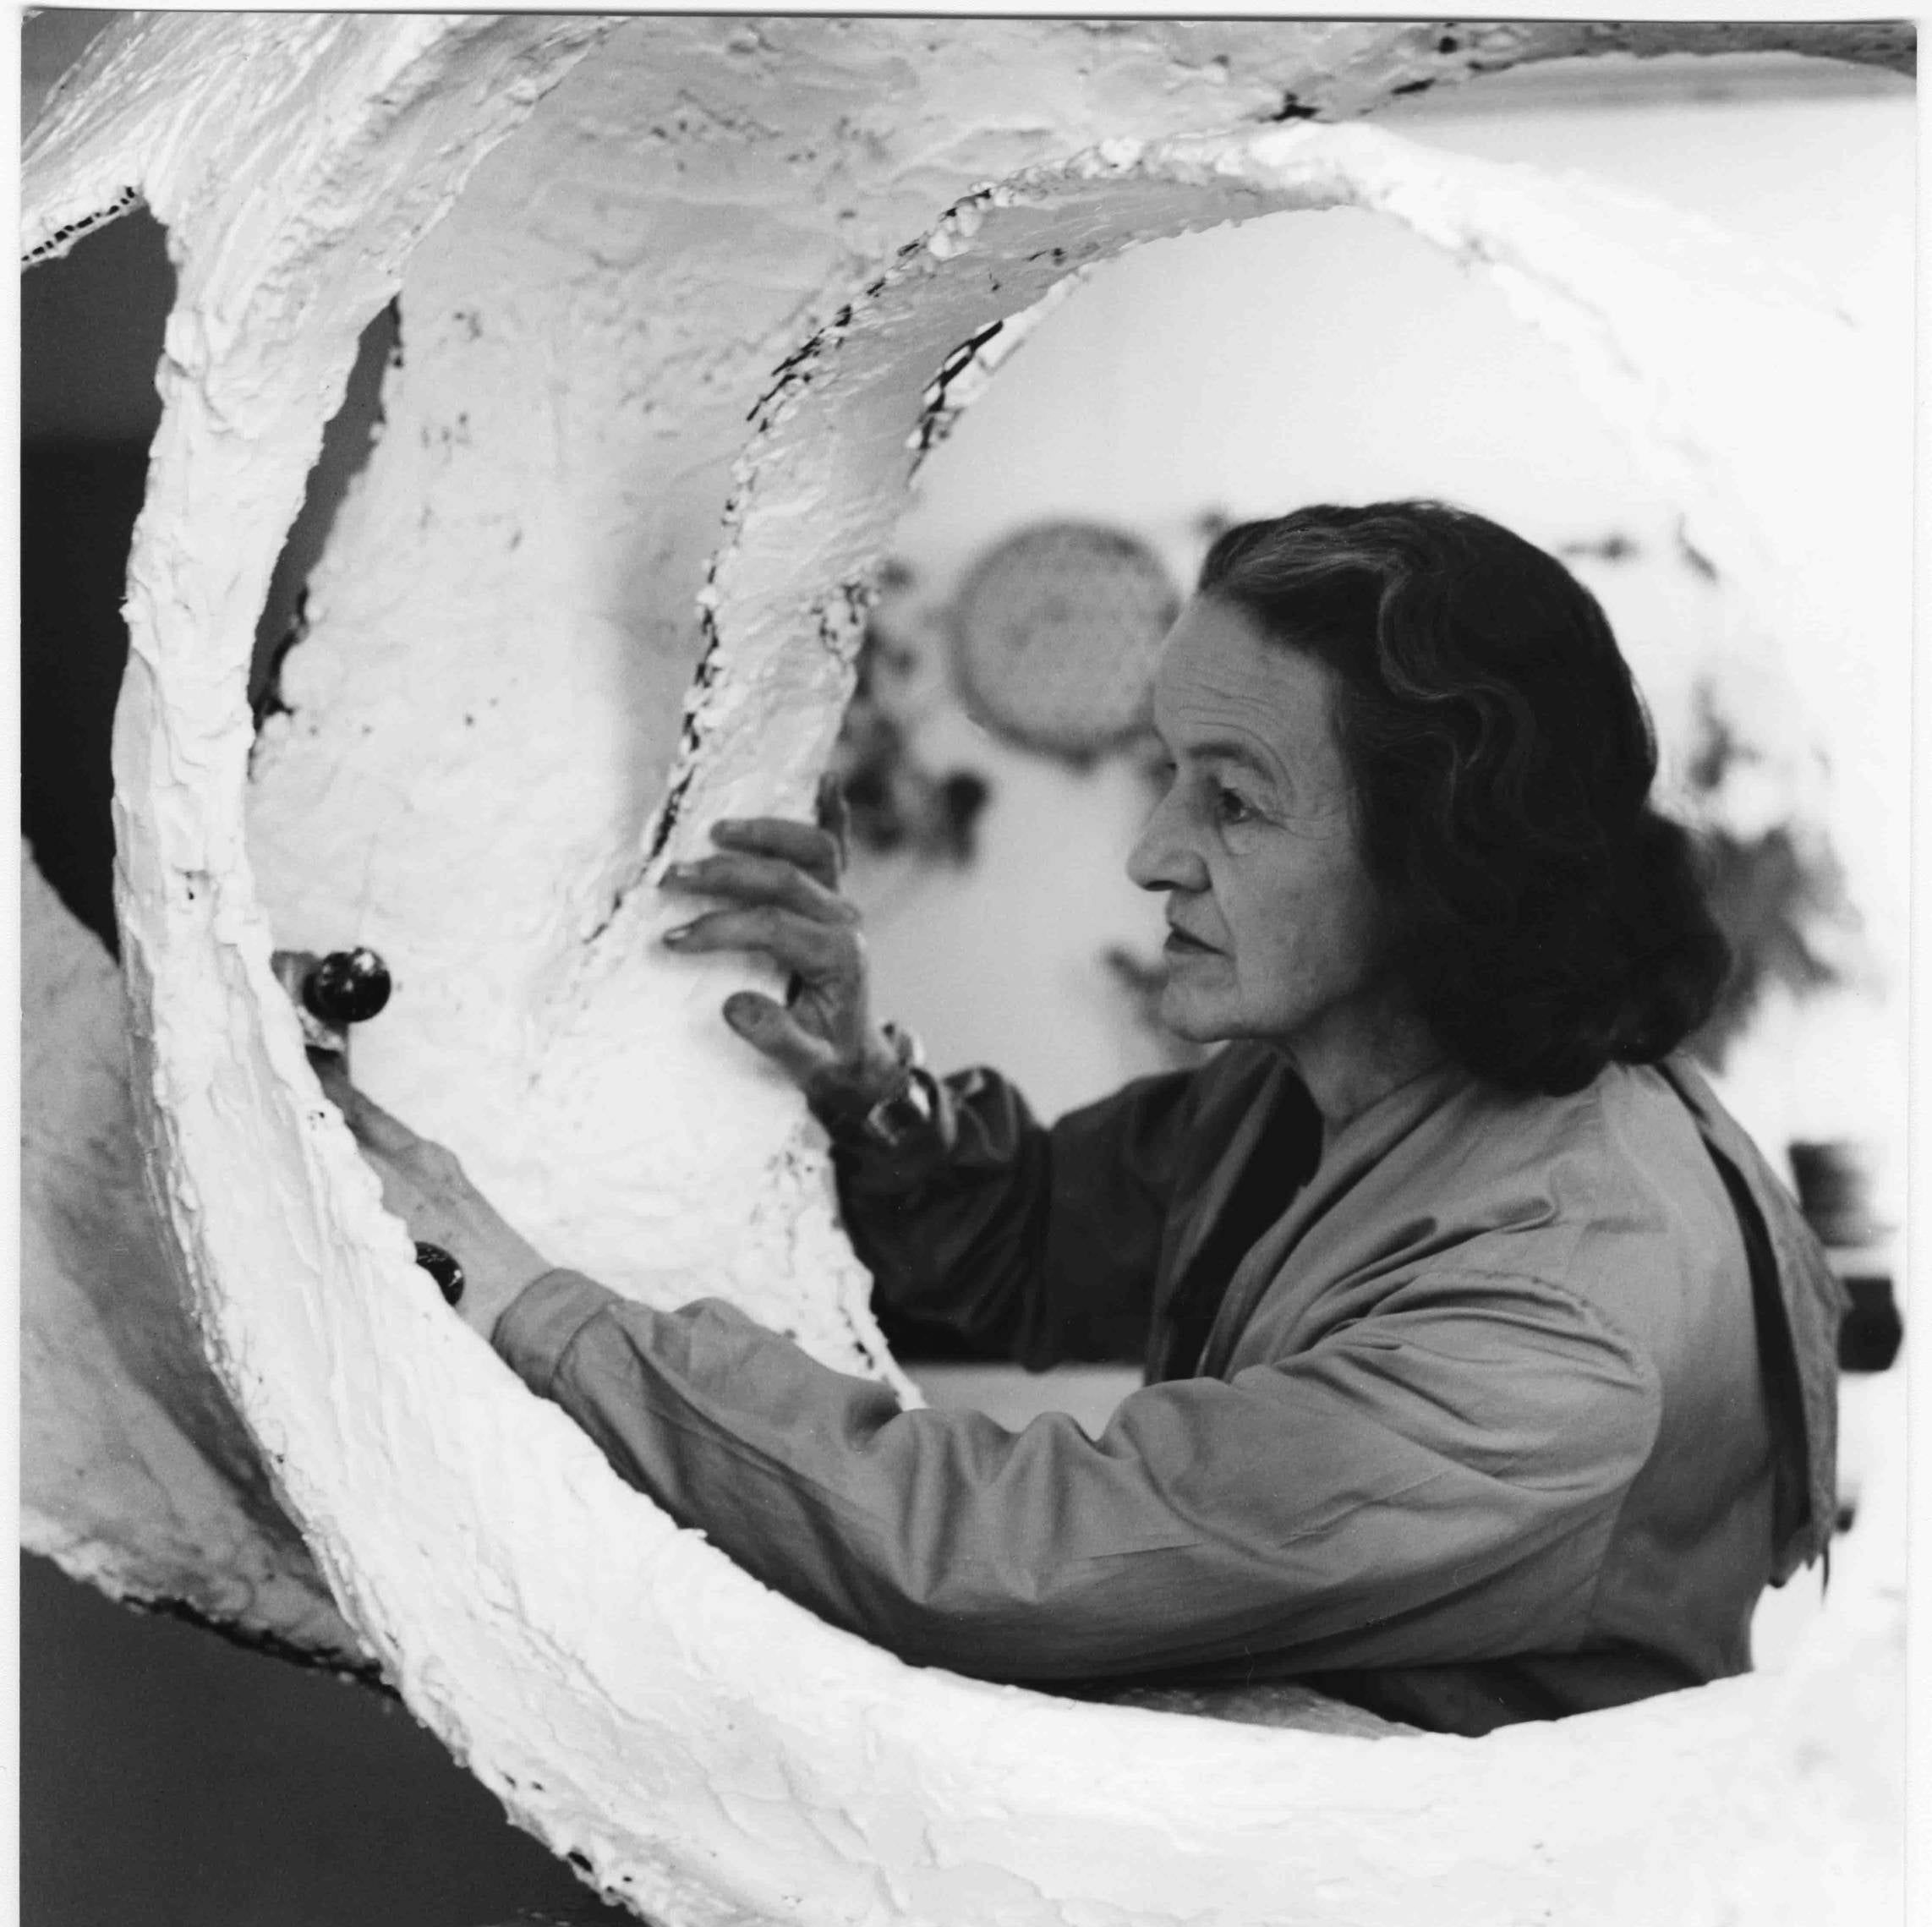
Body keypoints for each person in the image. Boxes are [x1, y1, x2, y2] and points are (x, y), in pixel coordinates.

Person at [326, 501, 1843, 1738]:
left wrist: (519, 1300)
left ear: (1439, 861)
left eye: (1234, 801)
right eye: (1166, 774)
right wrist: (861, 1081)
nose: (1150, 855)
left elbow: (1001, 1560)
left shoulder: (1546, 1326)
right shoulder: (1324, 1077)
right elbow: (1031, 1243)